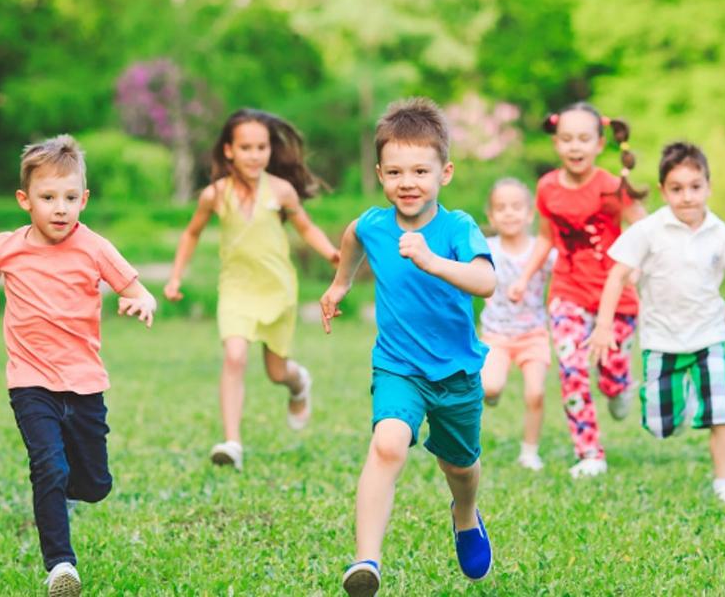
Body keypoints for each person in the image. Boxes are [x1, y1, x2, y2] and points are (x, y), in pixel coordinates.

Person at [0, 135, 157, 596]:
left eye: (70, 198)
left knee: (94, 484)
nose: (60, 208)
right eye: (48, 198)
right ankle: (61, 566)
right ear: (25, 200)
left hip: (84, 382)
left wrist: (143, 302)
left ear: (84, 199)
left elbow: (137, 289)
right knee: (48, 468)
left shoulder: (94, 247)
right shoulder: (8, 246)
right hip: (29, 381)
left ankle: (64, 490)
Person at [320, 97, 496, 596]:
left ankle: (465, 515)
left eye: (421, 170)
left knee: (459, 466)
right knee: (387, 443)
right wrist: (340, 285)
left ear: (446, 172)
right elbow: (353, 237)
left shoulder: (457, 227)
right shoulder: (376, 224)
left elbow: (485, 281)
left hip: (456, 372)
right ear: (380, 174)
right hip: (398, 367)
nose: (408, 182)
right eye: (395, 171)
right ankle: (366, 562)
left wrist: (434, 262)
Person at [164, 109, 339, 471]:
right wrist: (176, 276)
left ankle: (298, 383)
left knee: (277, 373)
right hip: (236, 290)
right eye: (246, 147)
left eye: (261, 147)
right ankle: (232, 442)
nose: (254, 155)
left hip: (277, 290)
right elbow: (191, 233)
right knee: (235, 356)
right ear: (229, 150)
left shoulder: (281, 190)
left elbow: (306, 229)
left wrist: (332, 254)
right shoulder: (215, 195)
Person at [586, 142, 725, 503]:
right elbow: (617, 275)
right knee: (660, 427)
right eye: (677, 188)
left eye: (695, 187)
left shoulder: (721, 234)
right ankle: (675, 404)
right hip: (661, 340)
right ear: (663, 190)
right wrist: (604, 326)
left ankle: (724, 483)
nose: (687, 197)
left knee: (722, 413)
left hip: (708, 335)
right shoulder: (649, 230)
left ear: (708, 187)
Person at [508, 102, 647, 479]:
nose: (575, 147)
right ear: (555, 143)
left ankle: (619, 387)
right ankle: (589, 453)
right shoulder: (547, 188)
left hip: (616, 296)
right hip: (567, 291)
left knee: (611, 376)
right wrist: (524, 277)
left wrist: (637, 266)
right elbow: (545, 238)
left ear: (599, 143)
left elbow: (644, 228)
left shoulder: (612, 187)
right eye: (567, 139)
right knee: (571, 370)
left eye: (584, 139)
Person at [480, 178, 554, 471]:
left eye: (516, 207)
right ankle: (493, 394)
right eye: (501, 208)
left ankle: (529, 451)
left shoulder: (542, 250)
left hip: (533, 334)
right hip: (496, 335)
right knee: (489, 387)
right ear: (491, 216)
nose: (509, 213)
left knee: (535, 392)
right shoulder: (485, 248)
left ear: (530, 214)